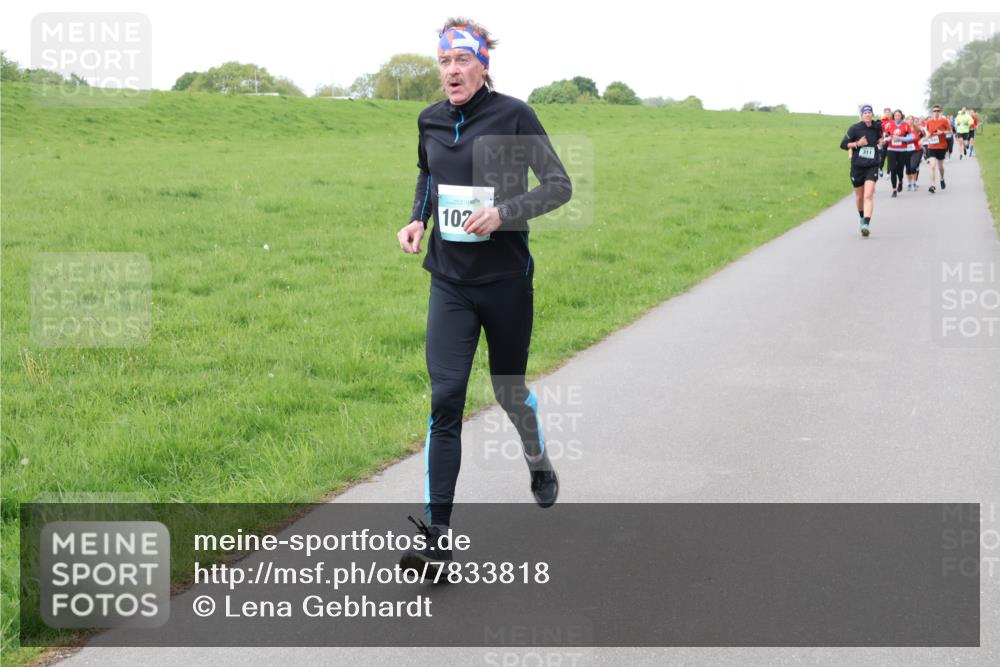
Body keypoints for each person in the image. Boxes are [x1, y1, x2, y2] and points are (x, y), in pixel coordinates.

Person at [396, 17, 572, 572]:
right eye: (444, 62)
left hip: (505, 282)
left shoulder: (514, 115)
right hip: (449, 280)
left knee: (507, 390)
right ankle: (437, 537)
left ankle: (536, 456)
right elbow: (428, 175)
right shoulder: (428, 119)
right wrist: (416, 219)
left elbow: (558, 186)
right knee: (445, 398)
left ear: (483, 65)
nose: (451, 71)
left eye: (462, 61)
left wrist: (504, 213)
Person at [841, 105, 885, 237]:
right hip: (858, 166)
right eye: (865, 112)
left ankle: (866, 224)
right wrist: (857, 144)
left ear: (872, 114)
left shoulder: (877, 127)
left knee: (868, 194)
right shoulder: (855, 128)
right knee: (860, 197)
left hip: (872, 165)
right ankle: (861, 217)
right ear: (861, 115)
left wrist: (880, 141)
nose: (867, 114)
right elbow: (843, 144)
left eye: (869, 112)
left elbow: (879, 138)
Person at [883, 109, 913, 197]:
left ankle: (900, 181)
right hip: (891, 149)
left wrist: (900, 138)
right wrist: (887, 139)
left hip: (902, 150)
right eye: (895, 115)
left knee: (900, 170)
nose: (897, 117)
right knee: (893, 169)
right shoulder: (889, 125)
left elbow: (911, 137)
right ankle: (894, 189)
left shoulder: (906, 125)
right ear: (893, 116)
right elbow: (885, 136)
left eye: (899, 115)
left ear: (901, 116)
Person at [924, 105, 950, 193]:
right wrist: (926, 137)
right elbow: (928, 132)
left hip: (941, 146)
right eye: (934, 111)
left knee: (940, 167)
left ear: (940, 112)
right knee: (932, 166)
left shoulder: (944, 120)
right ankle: (932, 185)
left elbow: (950, 131)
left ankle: (942, 179)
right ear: (932, 112)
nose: (936, 112)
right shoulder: (929, 122)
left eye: (938, 111)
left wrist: (941, 132)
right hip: (931, 146)